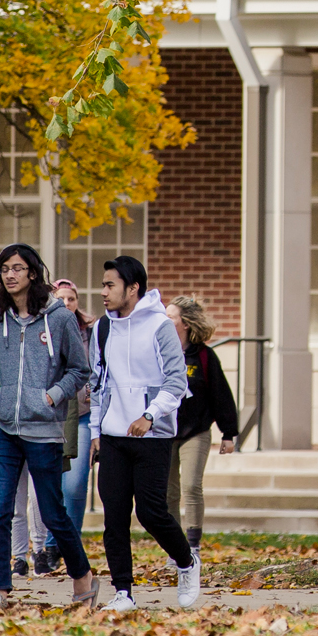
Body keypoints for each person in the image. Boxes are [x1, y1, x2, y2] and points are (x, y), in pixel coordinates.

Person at [0, 242, 97, 609]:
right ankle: (0, 589)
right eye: (4, 269)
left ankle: (84, 579)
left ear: (32, 272)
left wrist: (51, 396)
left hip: (44, 430)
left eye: (16, 268)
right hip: (5, 429)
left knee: (53, 513)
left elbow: (80, 369)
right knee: (0, 509)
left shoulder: (58, 318)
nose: (9, 275)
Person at [84, 255, 199, 610]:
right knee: (114, 515)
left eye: (110, 285)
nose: (103, 292)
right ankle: (123, 593)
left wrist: (149, 415)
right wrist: (94, 432)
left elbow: (176, 383)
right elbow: (98, 383)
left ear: (132, 289)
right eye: (103, 285)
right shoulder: (103, 328)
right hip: (114, 436)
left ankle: (186, 562)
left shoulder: (160, 327)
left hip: (154, 435)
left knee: (151, 512)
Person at [164, 295, 240, 555]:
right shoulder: (158, 352)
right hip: (163, 432)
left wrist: (228, 433)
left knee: (191, 486)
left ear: (184, 323)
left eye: (170, 316)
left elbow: (220, 394)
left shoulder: (205, 356)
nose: (164, 320)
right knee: (168, 493)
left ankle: (193, 546)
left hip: (195, 431)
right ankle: (175, 549)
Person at [49, 276, 95, 567]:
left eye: (71, 298)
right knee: (53, 484)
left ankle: (71, 546)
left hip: (83, 416)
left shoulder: (92, 331)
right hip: (51, 417)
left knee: (76, 484)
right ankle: (52, 546)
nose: (66, 303)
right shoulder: (43, 328)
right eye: (60, 298)